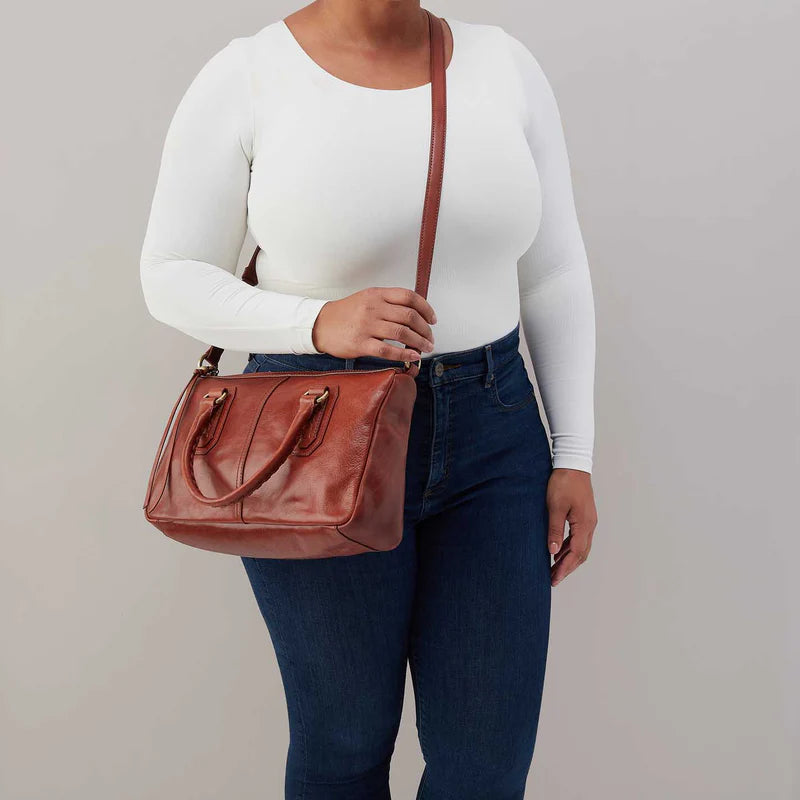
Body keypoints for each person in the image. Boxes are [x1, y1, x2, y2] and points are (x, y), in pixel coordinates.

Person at [139, 2, 598, 797]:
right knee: (344, 743)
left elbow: (554, 270)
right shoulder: (248, 75)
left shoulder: (504, 65)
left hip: (495, 433)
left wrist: (575, 453)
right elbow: (169, 272)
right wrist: (316, 321)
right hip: (311, 432)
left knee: (486, 763)